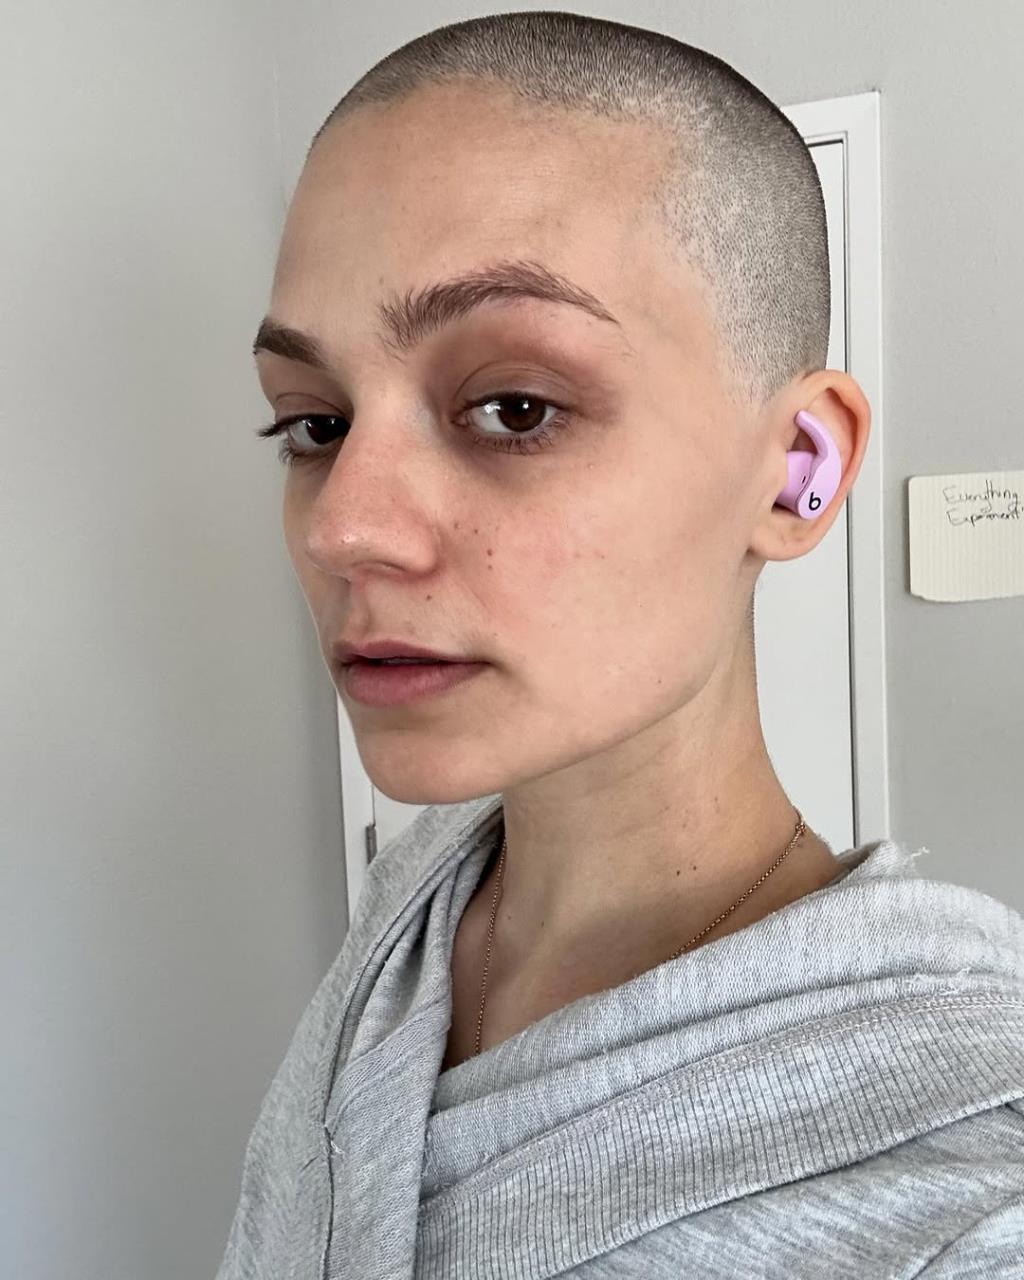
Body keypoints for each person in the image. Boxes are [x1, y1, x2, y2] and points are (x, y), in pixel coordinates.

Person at [217, 11, 1024, 1278]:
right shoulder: (410, 919)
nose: (344, 528)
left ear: (797, 466)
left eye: (513, 407)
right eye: (314, 423)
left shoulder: (965, 1201)